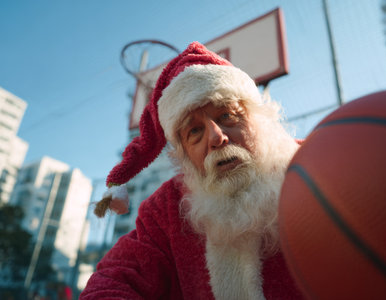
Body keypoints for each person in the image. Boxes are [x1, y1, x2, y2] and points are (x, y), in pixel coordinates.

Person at [80, 42, 304, 299]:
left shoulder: (320, 164)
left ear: (260, 120)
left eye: (227, 115)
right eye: (194, 131)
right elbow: (113, 281)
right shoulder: (167, 208)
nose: (216, 137)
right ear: (184, 154)